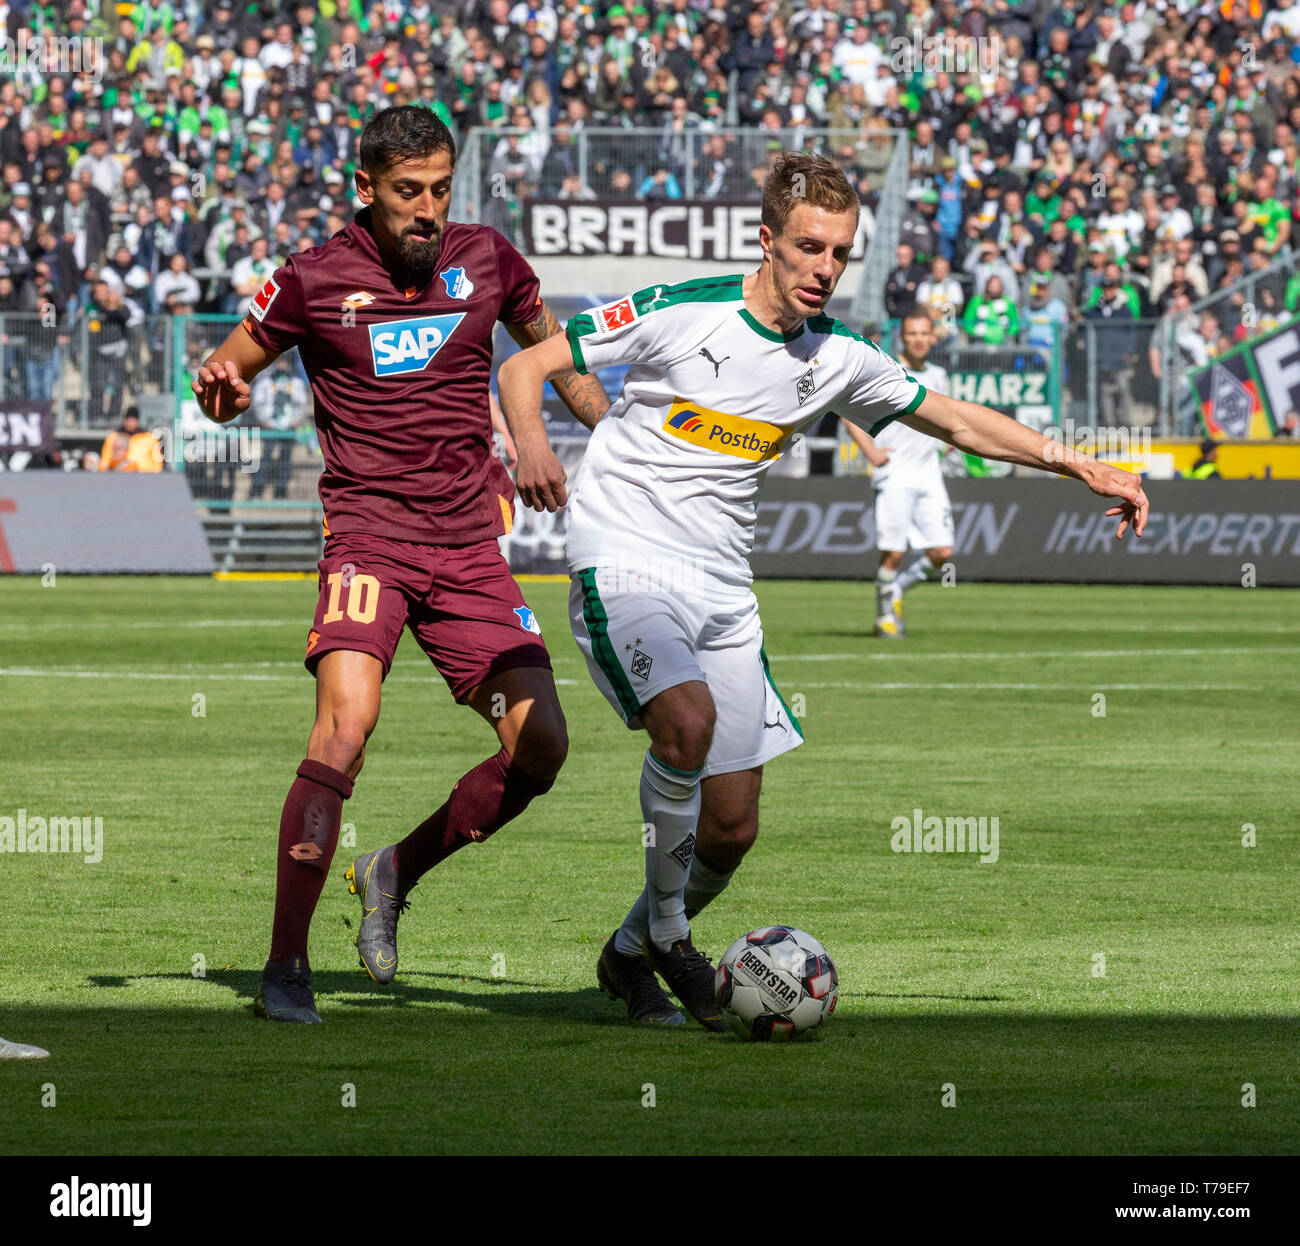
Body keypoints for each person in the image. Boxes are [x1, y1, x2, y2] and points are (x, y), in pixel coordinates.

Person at [497, 151, 1148, 1029]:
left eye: (839, 253)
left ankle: (624, 954)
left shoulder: (839, 355)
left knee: (732, 829)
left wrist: (1075, 462)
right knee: (683, 724)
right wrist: (532, 443)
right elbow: (525, 366)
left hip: (724, 586)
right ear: (766, 240)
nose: (824, 268)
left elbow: (955, 418)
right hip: (626, 557)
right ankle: (667, 939)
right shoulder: (680, 310)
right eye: (808, 247)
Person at [190, 107, 610, 1025]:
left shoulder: (489, 260)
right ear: (366, 190)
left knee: (540, 747)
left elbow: (557, 355)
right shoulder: (311, 278)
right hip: (368, 540)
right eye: (407, 192)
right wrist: (217, 389)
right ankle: (285, 969)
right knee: (345, 730)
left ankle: (392, 871)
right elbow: (224, 374)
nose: (426, 210)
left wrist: (610, 426)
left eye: (439, 191)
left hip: (468, 547)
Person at [839, 313, 954, 639]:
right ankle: (884, 616)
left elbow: (948, 416)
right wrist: (870, 452)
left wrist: (948, 443)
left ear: (933, 338)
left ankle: (896, 590)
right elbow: (845, 410)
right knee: (894, 553)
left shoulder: (939, 375)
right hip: (894, 474)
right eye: (911, 333)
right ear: (902, 338)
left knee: (942, 554)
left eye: (924, 333)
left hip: (929, 473)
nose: (918, 339)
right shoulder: (887, 369)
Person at [99, 407, 162, 473]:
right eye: (128, 420)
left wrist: (137, 467)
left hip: (143, 476)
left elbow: (157, 465)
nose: (130, 423)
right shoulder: (113, 437)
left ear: (137, 421)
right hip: (118, 475)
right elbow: (105, 461)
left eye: (133, 420)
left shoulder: (149, 438)